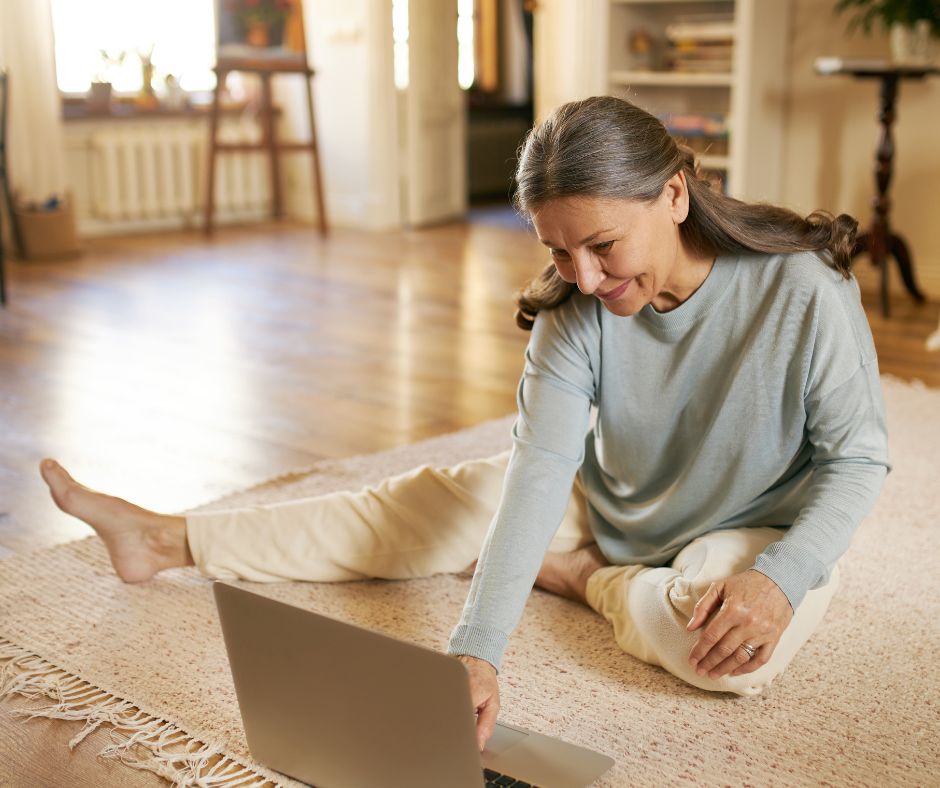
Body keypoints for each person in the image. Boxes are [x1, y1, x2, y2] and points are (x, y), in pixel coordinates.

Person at [40, 96, 889, 754]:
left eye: (602, 246)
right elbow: (541, 463)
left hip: (752, 528)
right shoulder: (575, 308)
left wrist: (782, 578)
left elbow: (858, 457)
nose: (585, 278)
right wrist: (478, 648)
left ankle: (585, 580)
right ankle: (166, 540)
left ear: (674, 194)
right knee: (418, 508)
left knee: (731, 657)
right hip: (614, 495)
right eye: (558, 253)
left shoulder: (803, 287)